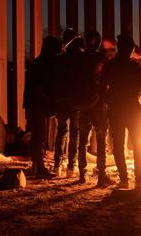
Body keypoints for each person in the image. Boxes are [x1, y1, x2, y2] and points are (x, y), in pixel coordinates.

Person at [101, 34, 141, 190]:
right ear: (130, 49)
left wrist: (108, 100)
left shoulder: (110, 65)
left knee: (118, 144)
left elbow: (102, 87)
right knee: (138, 144)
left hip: (116, 109)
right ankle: (139, 180)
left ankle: (123, 179)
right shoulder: (134, 66)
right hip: (133, 108)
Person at [77, 30, 114, 186]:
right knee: (100, 140)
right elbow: (107, 80)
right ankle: (101, 176)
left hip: (83, 104)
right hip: (99, 105)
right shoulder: (101, 59)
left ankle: (82, 175)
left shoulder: (80, 59)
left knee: (82, 141)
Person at [52, 29, 89, 177]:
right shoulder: (82, 59)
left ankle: (57, 166)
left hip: (61, 100)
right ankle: (71, 168)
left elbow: (55, 78)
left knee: (61, 132)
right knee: (75, 134)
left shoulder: (61, 58)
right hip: (77, 101)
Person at [23, 36, 61, 178]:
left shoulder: (38, 63)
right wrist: (51, 100)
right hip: (36, 105)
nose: (57, 54)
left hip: (34, 105)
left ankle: (37, 166)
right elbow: (38, 90)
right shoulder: (41, 65)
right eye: (56, 50)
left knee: (37, 137)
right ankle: (39, 168)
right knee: (39, 137)